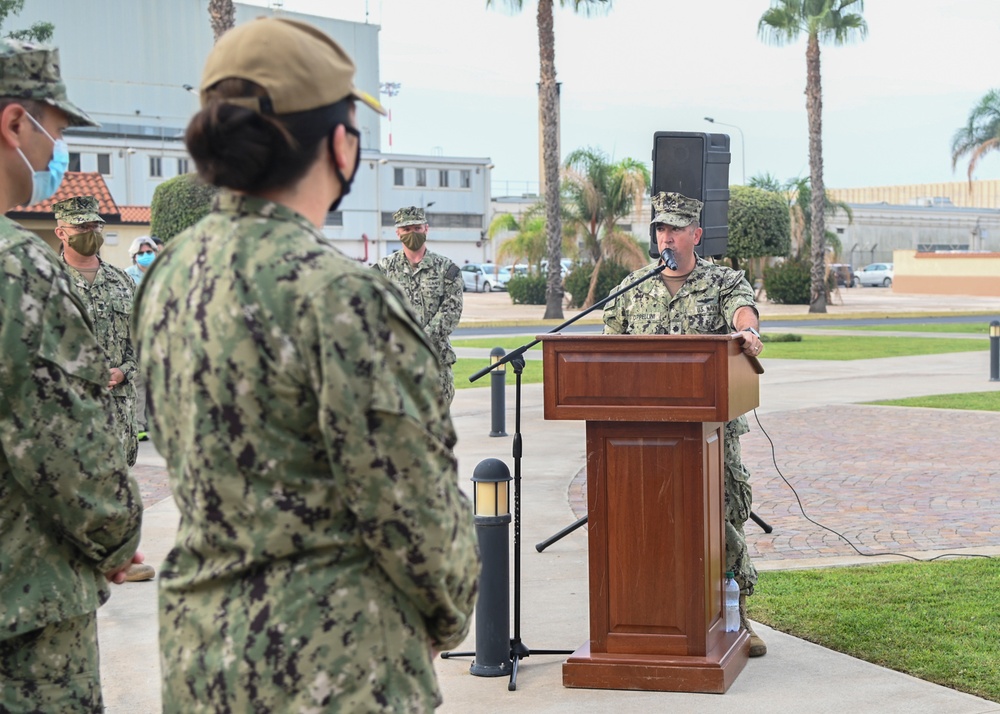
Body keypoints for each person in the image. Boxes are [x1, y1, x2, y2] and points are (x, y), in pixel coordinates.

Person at [132, 18, 479, 712]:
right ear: (340, 143)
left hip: (202, 659)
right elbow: (412, 508)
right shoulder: (342, 295)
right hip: (333, 667)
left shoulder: (168, 272)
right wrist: (443, 616)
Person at [0, 38, 144, 712]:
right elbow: (62, 446)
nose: (58, 154)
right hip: (22, 614)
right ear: (13, 124)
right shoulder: (17, 269)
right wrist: (117, 537)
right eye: (54, 132)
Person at [602, 190, 767, 657]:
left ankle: (737, 618)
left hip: (712, 433)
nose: (666, 237)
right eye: (659, 229)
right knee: (654, 523)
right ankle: (653, 616)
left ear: (696, 234)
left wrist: (748, 331)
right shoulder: (633, 287)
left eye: (675, 228)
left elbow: (743, 311)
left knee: (723, 519)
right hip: (646, 439)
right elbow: (608, 353)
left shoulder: (722, 281)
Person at [373, 206, 463, 404]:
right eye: (406, 229)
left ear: (426, 229)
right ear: (398, 233)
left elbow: (451, 312)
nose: (412, 233)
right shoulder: (383, 270)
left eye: (417, 228)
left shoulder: (446, 269)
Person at [125, 235, 157, 442]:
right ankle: (139, 425)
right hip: (137, 334)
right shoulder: (127, 275)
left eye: (149, 252)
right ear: (134, 256)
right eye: (141, 253)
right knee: (139, 380)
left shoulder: (163, 271)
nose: (146, 256)